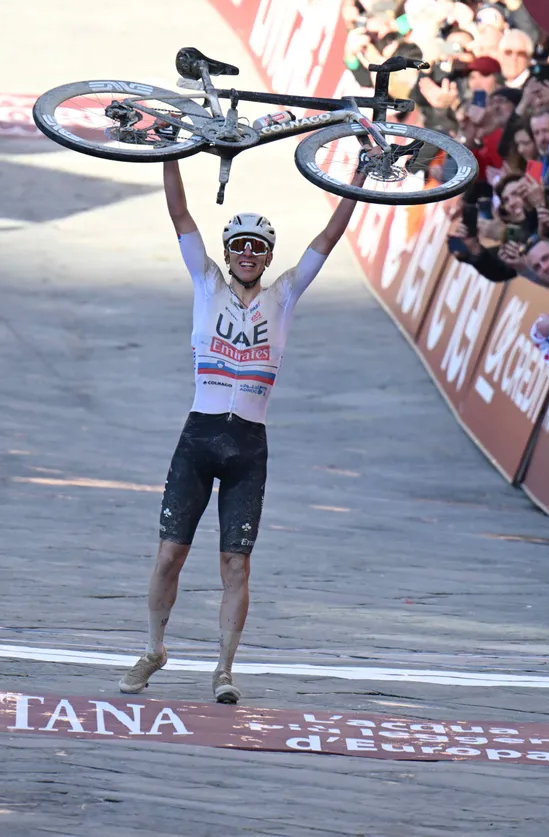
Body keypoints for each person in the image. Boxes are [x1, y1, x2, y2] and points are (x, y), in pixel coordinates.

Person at [119, 158, 367, 705]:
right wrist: (172, 152)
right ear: (228, 255)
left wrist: (358, 180)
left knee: (236, 563)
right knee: (169, 555)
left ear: (269, 258)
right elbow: (180, 213)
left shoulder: (285, 295)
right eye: (240, 248)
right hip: (199, 437)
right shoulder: (206, 283)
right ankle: (154, 650)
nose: (248, 256)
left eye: (258, 249)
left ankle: (224, 670)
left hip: (248, 446)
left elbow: (329, 235)